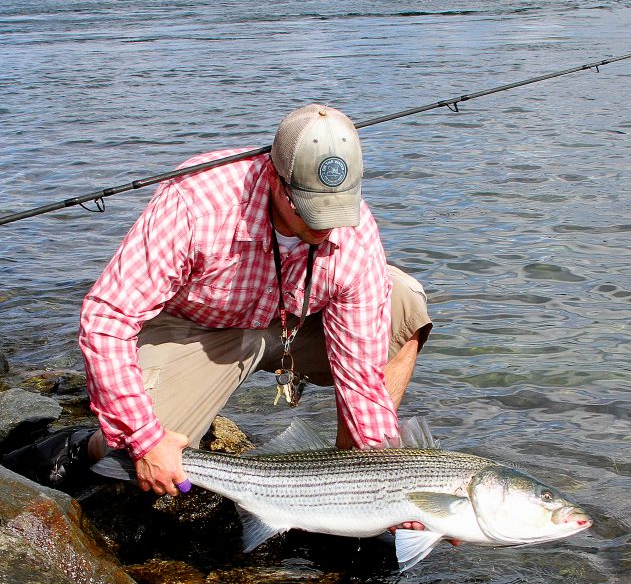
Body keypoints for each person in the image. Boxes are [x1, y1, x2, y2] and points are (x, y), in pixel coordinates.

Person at [4, 104, 432, 504]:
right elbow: (106, 317)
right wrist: (144, 437)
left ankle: (347, 480)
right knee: (137, 454)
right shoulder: (196, 202)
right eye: (309, 210)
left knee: (402, 301)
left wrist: (388, 481)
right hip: (192, 329)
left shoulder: (354, 229)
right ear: (273, 177)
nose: (325, 225)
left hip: (288, 324)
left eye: (337, 209)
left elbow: (361, 376)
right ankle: (77, 446)